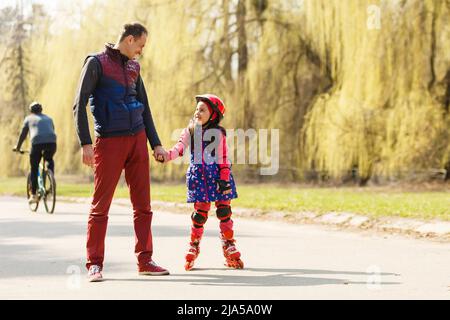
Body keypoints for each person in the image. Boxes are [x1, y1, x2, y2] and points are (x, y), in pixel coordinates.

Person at [72, 22, 169, 282]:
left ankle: (145, 259)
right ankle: (94, 263)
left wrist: (155, 143)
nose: (140, 52)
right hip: (109, 141)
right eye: (140, 45)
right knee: (101, 206)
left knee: (143, 206)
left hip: (137, 138)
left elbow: (144, 107)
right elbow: (78, 104)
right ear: (129, 40)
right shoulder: (96, 63)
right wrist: (85, 142)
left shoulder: (134, 67)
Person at [162, 94, 243, 271]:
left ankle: (228, 243)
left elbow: (223, 157)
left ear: (213, 115)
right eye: (197, 109)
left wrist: (224, 177)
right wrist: (167, 155)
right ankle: (194, 244)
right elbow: (179, 148)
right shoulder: (190, 131)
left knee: (224, 211)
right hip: (199, 179)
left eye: (202, 109)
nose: (197, 112)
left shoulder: (219, 134)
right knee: (200, 215)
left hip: (219, 177)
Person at [13, 102, 57, 204]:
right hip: (52, 143)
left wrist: (18, 147)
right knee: (49, 159)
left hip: (36, 144)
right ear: (41, 110)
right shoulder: (49, 118)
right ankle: (51, 178)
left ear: (31, 111)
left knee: (34, 167)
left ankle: (33, 195)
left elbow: (23, 135)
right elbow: (51, 131)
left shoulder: (28, 119)